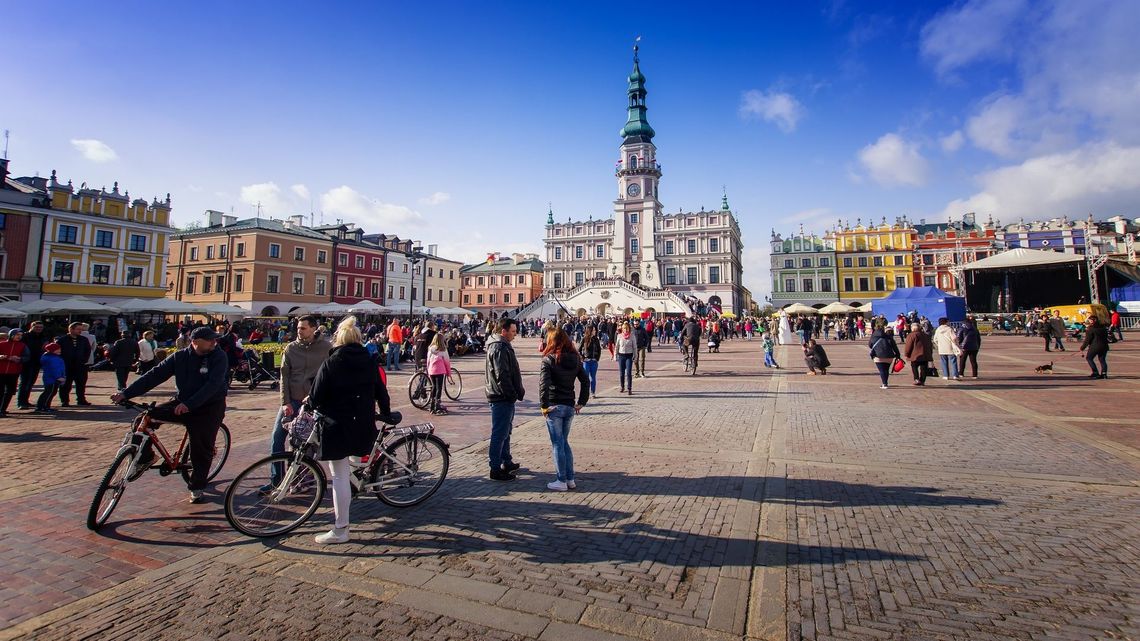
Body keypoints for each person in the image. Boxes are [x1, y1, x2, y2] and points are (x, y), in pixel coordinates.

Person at [111, 326, 228, 503]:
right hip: (182, 401)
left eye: (215, 339)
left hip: (209, 406)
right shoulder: (180, 357)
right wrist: (126, 394)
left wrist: (190, 405)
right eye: (210, 339)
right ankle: (145, 457)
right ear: (195, 342)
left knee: (201, 447)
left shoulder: (218, 356)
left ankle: (197, 486)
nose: (214, 342)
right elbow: (154, 376)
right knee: (144, 420)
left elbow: (213, 385)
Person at [307, 316, 393, 544]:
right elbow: (381, 392)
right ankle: (357, 488)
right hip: (363, 424)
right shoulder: (369, 361)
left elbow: (315, 397)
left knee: (339, 477)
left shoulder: (332, 362)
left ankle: (341, 528)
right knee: (354, 465)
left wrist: (315, 404)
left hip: (337, 425)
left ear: (339, 339)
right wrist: (386, 412)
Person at [267, 315, 331, 490]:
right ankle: (276, 480)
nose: (299, 331)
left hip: (312, 404)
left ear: (313, 328)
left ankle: (301, 478)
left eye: (303, 328)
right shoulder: (291, 348)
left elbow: (330, 374)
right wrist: (284, 402)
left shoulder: (326, 347)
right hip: (292, 400)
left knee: (304, 443)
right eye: (298, 328)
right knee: (277, 437)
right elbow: (284, 376)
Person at [539, 328, 589, 492]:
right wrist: (581, 402)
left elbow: (544, 385)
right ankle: (570, 479)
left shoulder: (549, 359)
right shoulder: (576, 359)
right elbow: (585, 381)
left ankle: (561, 480)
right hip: (569, 405)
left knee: (557, 444)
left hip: (555, 406)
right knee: (564, 443)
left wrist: (544, 405)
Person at [485, 318, 524, 481]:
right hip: (501, 396)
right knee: (499, 433)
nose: (515, 334)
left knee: (506, 431)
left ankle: (506, 461)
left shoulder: (501, 345)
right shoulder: (499, 347)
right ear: (504, 331)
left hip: (502, 394)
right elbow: (502, 374)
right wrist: (511, 394)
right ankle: (495, 468)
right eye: (513, 331)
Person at [57, 322, 93, 406]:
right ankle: (64, 401)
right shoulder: (62, 340)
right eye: (78, 329)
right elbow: (58, 351)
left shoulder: (83, 339)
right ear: (71, 329)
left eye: (81, 329)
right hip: (67, 366)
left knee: (81, 384)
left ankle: (81, 399)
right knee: (66, 384)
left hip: (80, 365)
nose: (80, 331)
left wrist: (84, 360)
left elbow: (87, 350)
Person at [16, 321, 46, 410]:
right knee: (24, 382)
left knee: (31, 382)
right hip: (26, 362)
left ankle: (25, 401)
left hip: (37, 362)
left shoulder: (42, 337)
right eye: (37, 327)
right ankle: (21, 402)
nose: (39, 329)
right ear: (31, 327)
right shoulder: (25, 336)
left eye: (40, 327)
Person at [0, 329, 28, 416]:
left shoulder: (22, 345)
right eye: (17, 335)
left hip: (14, 371)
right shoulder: (2, 344)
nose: (19, 336)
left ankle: (3, 409)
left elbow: (27, 357)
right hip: (1, 371)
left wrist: (19, 359)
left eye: (20, 335)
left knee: (9, 391)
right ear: (11, 335)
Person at [868, 321, 901, 389]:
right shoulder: (888, 336)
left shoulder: (874, 336)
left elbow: (870, 345)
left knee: (882, 370)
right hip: (889, 356)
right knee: (886, 370)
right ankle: (885, 382)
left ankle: (884, 383)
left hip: (878, 355)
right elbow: (894, 346)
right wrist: (898, 354)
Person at [36, 342, 66, 413]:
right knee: (48, 392)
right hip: (51, 379)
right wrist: (59, 377)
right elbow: (53, 369)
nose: (59, 350)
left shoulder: (54, 357)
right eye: (57, 349)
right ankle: (43, 407)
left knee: (51, 392)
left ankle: (46, 406)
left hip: (54, 378)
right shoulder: (51, 359)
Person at [426, 332, 451, 415]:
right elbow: (447, 362)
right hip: (440, 370)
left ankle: (432, 405)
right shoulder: (443, 349)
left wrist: (428, 371)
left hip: (432, 370)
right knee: (439, 388)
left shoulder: (430, 349)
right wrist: (448, 373)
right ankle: (437, 405)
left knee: (434, 387)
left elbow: (428, 361)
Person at [1079, 315, 1110, 379]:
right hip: (1104, 346)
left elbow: (1087, 340)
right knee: (1102, 360)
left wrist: (1082, 347)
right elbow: (1106, 336)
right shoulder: (1103, 327)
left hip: (1095, 346)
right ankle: (1104, 374)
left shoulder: (1090, 329)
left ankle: (1095, 372)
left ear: (1093, 321)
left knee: (1089, 358)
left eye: (1090, 320)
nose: (1089, 321)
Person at [578, 324, 601, 396]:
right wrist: (582, 358)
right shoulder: (584, 339)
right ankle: (585, 393)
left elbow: (599, 349)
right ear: (590, 331)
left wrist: (597, 358)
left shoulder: (596, 339)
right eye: (593, 330)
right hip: (586, 361)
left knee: (593, 377)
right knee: (585, 378)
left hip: (594, 361)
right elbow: (578, 350)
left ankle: (593, 392)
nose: (595, 331)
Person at [614, 321, 636, 395]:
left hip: (629, 355)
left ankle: (629, 388)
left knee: (629, 373)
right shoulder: (619, 336)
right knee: (621, 373)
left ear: (629, 329)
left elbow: (634, 347)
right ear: (622, 329)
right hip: (621, 355)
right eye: (624, 329)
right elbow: (617, 346)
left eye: (627, 329)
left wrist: (635, 356)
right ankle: (622, 386)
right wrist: (615, 355)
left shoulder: (632, 336)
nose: (625, 330)